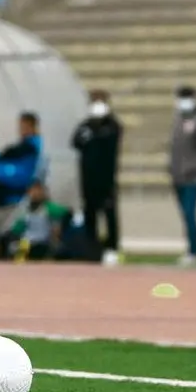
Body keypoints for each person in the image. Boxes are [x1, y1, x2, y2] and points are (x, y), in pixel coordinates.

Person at [70, 89, 123, 266]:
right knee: (90, 215)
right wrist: (89, 132)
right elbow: (75, 142)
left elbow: (108, 142)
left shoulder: (112, 125)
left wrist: (95, 133)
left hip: (106, 180)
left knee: (109, 215)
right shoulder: (85, 125)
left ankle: (112, 248)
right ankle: (91, 249)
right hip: (88, 180)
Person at [168, 86, 196, 267]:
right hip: (177, 177)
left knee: (190, 212)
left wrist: (194, 169)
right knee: (185, 215)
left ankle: (194, 251)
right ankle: (190, 249)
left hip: (193, 178)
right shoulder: (178, 120)